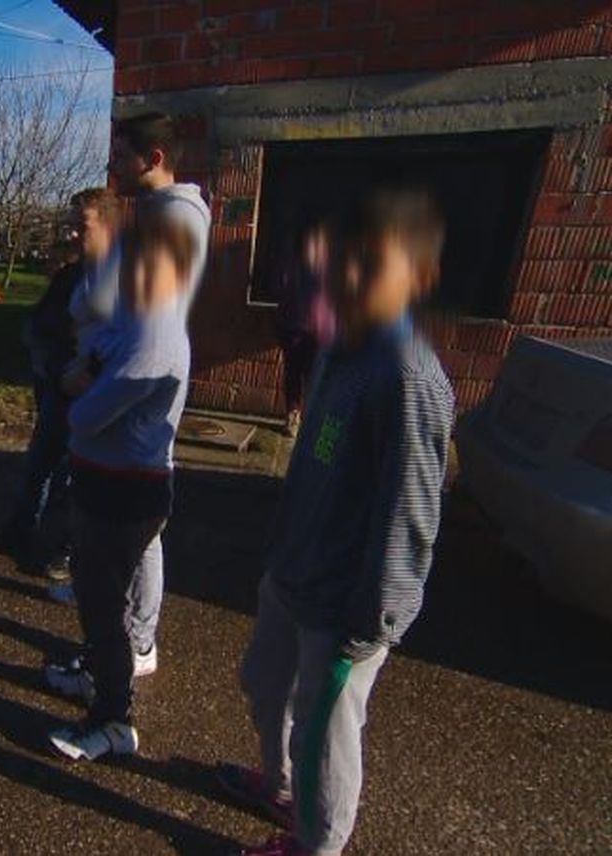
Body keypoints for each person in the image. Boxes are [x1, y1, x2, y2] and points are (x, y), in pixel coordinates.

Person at [219, 187, 454, 856]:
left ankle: (316, 843)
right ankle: (280, 786)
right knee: (264, 685)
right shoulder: (337, 350)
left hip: (345, 611)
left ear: (420, 277)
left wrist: (374, 623)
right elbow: (315, 461)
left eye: (370, 264)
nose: (347, 277)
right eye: (341, 261)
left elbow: (410, 512)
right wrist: (279, 553)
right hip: (293, 574)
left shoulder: (408, 376)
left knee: (326, 737)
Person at [46, 112, 211, 691]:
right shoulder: (155, 215)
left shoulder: (175, 221)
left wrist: (90, 382)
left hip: (128, 407)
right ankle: (117, 639)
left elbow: (151, 332)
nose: (112, 165)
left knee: (138, 536)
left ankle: (134, 644)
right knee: (119, 546)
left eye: (121, 155)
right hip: (112, 394)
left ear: (154, 159)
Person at [46, 213, 196, 763]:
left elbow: (85, 411)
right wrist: (83, 378)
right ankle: (98, 682)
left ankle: (113, 719)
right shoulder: (132, 319)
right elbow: (82, 365)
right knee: (93, 599)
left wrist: (83, 385)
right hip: (100, 479)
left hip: (126, 490)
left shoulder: (156, 337)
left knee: (107, 609)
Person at [0, 188, 118, 576]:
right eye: (70, 226)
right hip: (59, 384)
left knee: (76, 475)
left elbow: (127, 338)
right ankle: (21, 530)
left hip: (95, 393)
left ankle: (67, 547)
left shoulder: (125, 277)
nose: (73, 234)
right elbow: (46, 318)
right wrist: (45, 351)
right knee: (39, 463)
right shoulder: (72, 274)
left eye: (82, 226)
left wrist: (91, 371)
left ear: (109, 226)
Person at [275, 221, 336, 436]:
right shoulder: (294, 259)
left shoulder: (330, 262)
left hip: (315, 329)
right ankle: (296, 415)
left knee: (311, 376)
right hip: (295, 324)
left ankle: (306, 420)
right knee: (297, 372)